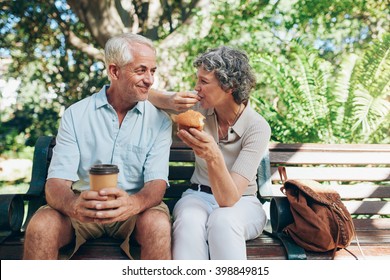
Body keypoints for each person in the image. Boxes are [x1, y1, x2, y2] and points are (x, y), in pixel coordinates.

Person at [23, 33, 173, 260]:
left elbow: (156, 184)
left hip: (135, 208)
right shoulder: (76, 114)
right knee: (42, 225)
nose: (150, 80)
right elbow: (56, 183)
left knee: (158, 225)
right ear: (114, 71)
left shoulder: (160, 121)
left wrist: (132, 204)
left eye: (152, 71)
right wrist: (74, 204)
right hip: (82, 205)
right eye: (141, 70)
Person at [148, 46, 271, 259]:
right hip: (197, 195)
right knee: (189, 221)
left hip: (242, 202)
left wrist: (213, 155)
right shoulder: (198, 110)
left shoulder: (257, 127)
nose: (197, 88)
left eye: (204, 82)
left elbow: (228, 199)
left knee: (223, 220)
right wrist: (170, 99)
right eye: (198, 80)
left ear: (229, 86)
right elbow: (145, 94)